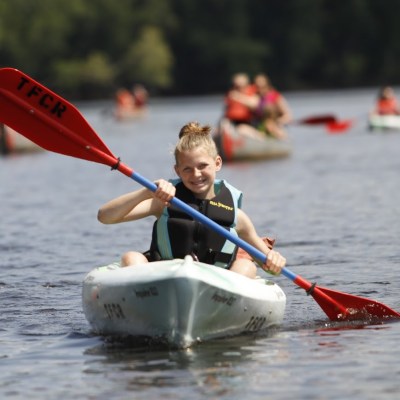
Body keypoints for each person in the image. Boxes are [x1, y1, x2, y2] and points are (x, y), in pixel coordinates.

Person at [97, 121, 286, 279]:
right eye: (187, 169)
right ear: (177, 171)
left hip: (217, 288)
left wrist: (274, 260)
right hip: (165, 280)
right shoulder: (163, 203)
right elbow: (105, 217)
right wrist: (147, 191)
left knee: (247, 267)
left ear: (217, 163)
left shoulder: (237, 217)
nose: (196, 174)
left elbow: (269, 266)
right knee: (131, 257)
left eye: (203, 166)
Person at [252, 73, 292, 140]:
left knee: (276, 131)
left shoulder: (276, 96)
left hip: (275, 125)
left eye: (262, 87)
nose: (260, 89)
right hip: (260, 126)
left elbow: (288, 116)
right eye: (257, 86)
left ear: (267, 85)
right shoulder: (255, 97)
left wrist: (277, 122)